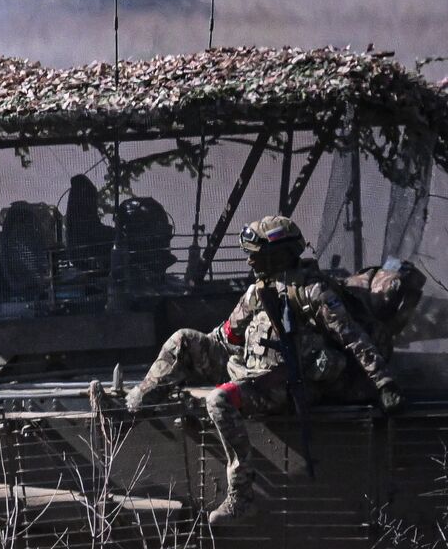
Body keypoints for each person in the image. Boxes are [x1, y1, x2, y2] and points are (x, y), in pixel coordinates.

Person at [115, 215, 403, 526]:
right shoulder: (259, 290)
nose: (249, 260)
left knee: (219, 400)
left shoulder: (313, 293)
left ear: (279, 254)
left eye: (256, 253)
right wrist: (192, 356)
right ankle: (130, 410)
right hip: (250, 374)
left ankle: (242, 497)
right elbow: (225, 337)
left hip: (286, 386)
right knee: (183, 339)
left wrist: (384, 383)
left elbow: (353, 338)